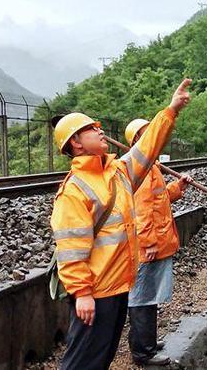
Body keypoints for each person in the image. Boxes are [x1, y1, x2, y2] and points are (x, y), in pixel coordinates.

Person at [50, 79, 191, 370]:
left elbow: (148, 147)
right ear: (75, 143)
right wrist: (83, 293)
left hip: (117, 287)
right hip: (96, 292)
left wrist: (171, 110)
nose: (99, 130)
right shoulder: (75, 189)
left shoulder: (117, 173)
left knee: (101, 358)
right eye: (91, 129)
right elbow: (71, 248)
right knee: (81, 363)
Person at [124, 118, 193, 366]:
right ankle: (143, 352)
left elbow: (159, 200)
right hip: (148, 247)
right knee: (142, 298)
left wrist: (177, 187)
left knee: (148, 296)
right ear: (136, 141)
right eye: (147, 134)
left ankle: (147, 342)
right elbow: (140, 211)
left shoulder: (150, 167)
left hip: (157, 242)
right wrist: (149, 243)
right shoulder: (140, 170)